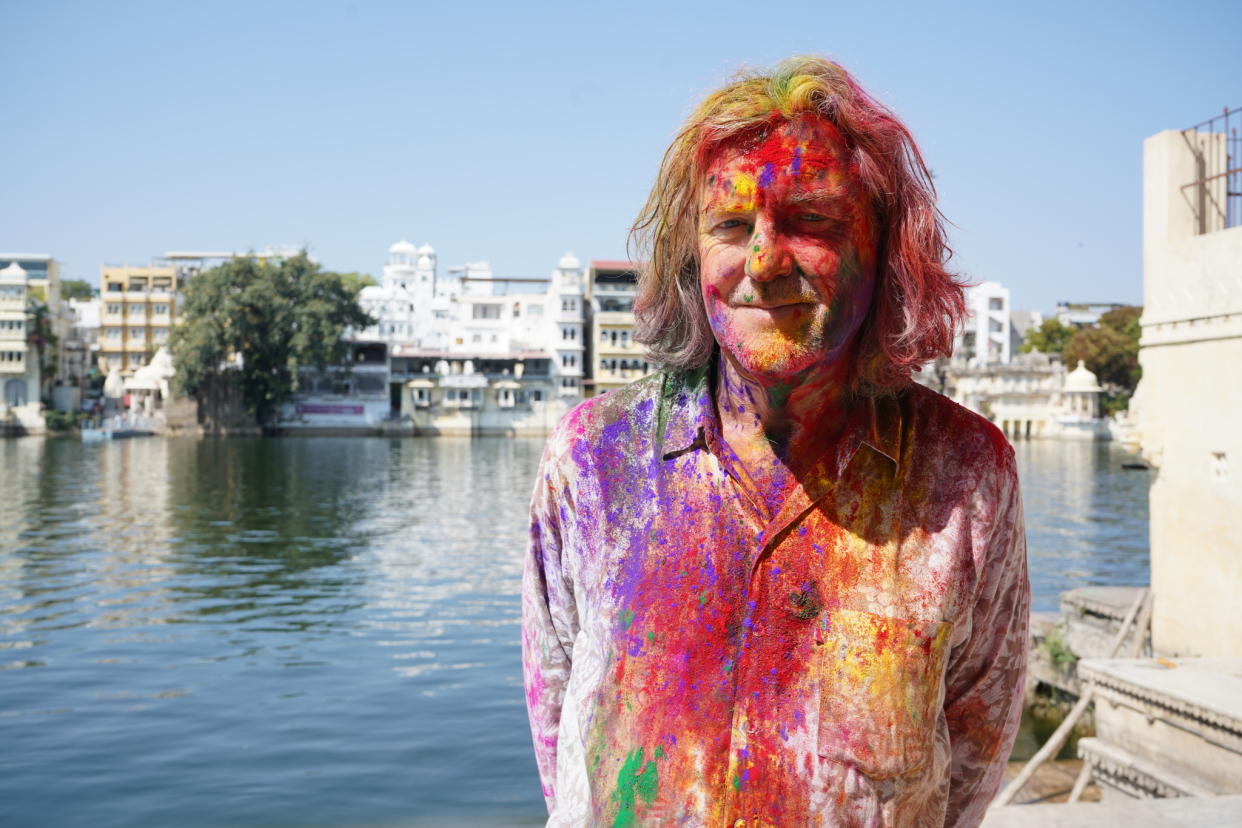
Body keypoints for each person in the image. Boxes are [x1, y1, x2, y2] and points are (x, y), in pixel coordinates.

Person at [522, 56, 1029, 828]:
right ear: (691, 256)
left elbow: (975, 750)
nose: (763, 260)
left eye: (811, 221)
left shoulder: (965, 477)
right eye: (730, 226)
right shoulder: (594, 460)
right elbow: (558, 726)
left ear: (884, 248)